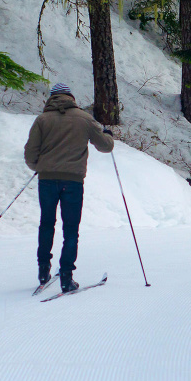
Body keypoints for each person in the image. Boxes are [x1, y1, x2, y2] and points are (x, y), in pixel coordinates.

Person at [24, 83, 115, 292]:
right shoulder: (84, 119)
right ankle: (66, 276)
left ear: (52, 98)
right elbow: (105, 146)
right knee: (70, 229)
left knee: (46, 224)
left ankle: (43, 269)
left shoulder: (42, 120)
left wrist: (39, 168)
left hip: (46, 180)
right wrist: (108, 134)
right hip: (73, 181)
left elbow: (30, 153)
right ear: (71, 98)